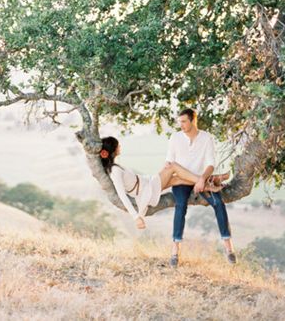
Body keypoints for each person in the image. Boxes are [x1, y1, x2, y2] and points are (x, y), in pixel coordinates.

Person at [100, 135, 228, 230]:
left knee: (176, 178)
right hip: (146, 191)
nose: (120, 147)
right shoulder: (114, 171)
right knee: (173, 167)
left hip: (147, 183)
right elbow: (122, 195)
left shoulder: (116, 167)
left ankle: (209, 183)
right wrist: (136, 217)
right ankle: (206, 181)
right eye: (118, 145)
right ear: (112, 150)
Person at [166, 107, 236, 267]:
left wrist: (202, 179)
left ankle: (229, 247)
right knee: (180, 205)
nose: (181, 125)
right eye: (179, 122)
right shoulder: (175, 138)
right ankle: (175, 250)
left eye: (184, 121)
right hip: (182, 181)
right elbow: (169, 162)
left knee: (218, 203)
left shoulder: (206, 138)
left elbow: (211, 163)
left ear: (193, 120)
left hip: (202, 180)